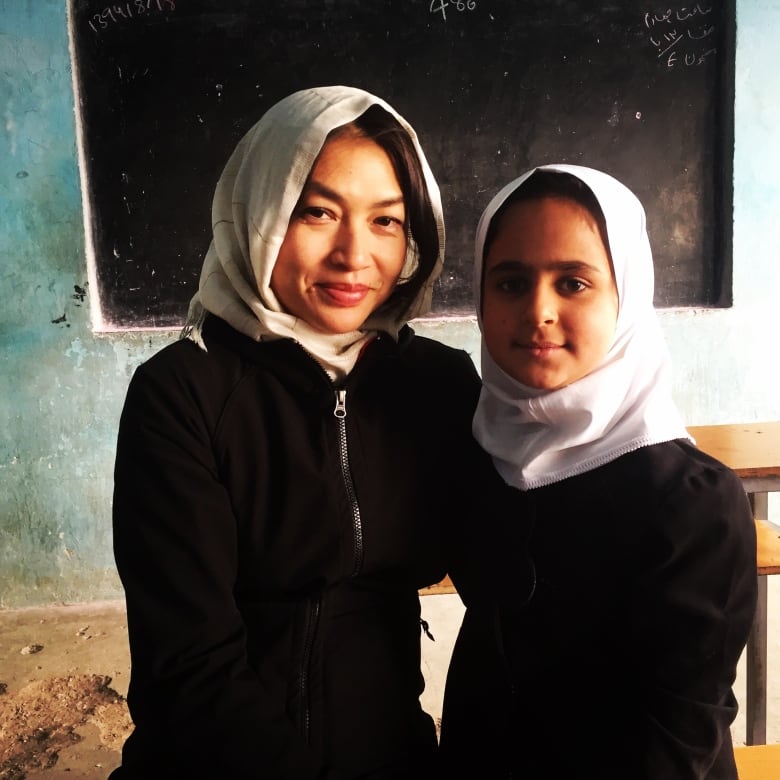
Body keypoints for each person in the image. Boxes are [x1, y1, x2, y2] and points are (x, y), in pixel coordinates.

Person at [109, 85, 481, 779]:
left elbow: (514, 588)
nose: (354, 255)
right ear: (261, 215)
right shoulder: (181, 396)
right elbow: (189, 670)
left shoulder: (439, 386)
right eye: (318, 212)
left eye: (387, 222)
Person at [439, 164, 758, 778]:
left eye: (574, 283)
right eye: (509, 283)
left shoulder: (692, 503)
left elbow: (678, 734)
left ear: (627, 298)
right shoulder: (478, 447)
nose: (539, 311)